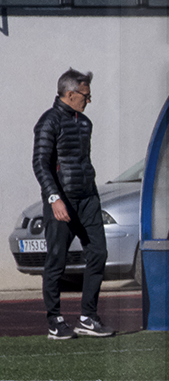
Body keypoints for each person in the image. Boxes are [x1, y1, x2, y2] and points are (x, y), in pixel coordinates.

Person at [32, 68, 115, 340]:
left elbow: (82, 162)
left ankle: (88, 317)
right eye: (85, 95)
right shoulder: (49, 121)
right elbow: (40, 164)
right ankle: (55, 321)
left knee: (98, 253)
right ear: (70, 94)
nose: (89, 100)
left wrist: (92, 192)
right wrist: (54, 198)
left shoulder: (85, 123)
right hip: (62, 201)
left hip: (88, 198)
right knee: (57, 260)